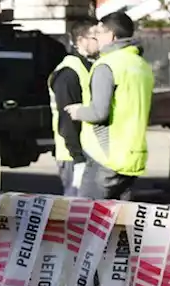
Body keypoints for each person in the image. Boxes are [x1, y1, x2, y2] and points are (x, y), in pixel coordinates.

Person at [65, 11, 154, 200]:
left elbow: (99, 113)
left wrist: (78, 111)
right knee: (118, 222)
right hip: (133, 156)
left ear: (111, 36)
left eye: (98, 33)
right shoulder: (141, 65)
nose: (96, 38)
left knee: (85, 220)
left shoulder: (107, 65)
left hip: (105, 157)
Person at [48, 19, 98, 196]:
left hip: (86, 152)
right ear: (81, 40)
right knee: (74, 208)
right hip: (73, 155)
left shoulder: (89, 67)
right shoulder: (69, 73)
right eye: (95, 36)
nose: (100, 40)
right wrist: (78, 158)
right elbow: (66, 119)